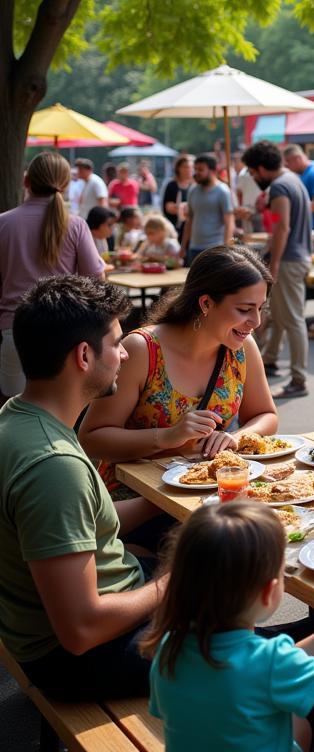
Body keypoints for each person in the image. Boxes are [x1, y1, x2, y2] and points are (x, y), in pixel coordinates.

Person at [143, 501, 314, 752]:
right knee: (297, 718)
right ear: (268, 592)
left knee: (295, 719)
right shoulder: (269, 663)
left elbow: (255, 679)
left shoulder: (169, 647)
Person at [0, 275, 167, 699]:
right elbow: (80, 630)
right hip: (79, 658)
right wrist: (173, 584)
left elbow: (85, 523)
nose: (126, 356)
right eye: (116, 343)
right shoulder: (54, 465)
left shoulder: (19, 417)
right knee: (264, 659)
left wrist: (160, 499)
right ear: (84, 356)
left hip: (66, 622)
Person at [80, 246, 280, 493]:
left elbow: (266, 416)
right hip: (139, 496)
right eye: (244, 309)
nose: (256, 321)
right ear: (206, 303)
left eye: (260, 308)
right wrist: (168, 436)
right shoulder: (142, 350)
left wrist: (235, 437)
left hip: (207, 488)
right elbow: (92, 439)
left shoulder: (241, 347)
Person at [0, 152, 105, 397]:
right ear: (66, 186)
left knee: (11, 410)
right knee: (58, 411)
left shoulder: (3, 224)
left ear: (26, 181)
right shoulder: (76, 225)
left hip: (13, 330)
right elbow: (96, 281)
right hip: (64, 333)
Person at [243, 141, 313, 400]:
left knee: (293, 319)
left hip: (288, 260)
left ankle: (298, 379)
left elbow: (282, 228)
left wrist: (273, 265)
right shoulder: (293, 179)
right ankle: (270, 359)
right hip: (297, 257)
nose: (252, 177)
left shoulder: (280, 186)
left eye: (252, 172)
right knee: (281, 314)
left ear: (261, 168)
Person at [180, 154, 234, 266]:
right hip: (194, 248)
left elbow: (229, 222)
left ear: (213, 171)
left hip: (215, 248)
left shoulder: (222, 191)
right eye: (195, 169)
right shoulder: (193, 190)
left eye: (201, 169)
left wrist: (226, 248)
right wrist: (183, 246)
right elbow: (189, 220)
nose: (196, 173)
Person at [283, 143, 314, 233]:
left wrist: (294, 214)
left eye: (288, 162)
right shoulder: (305, 173)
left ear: (298, 159)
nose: (287, 167)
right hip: (310, 228)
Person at [161, 155, 194, 236]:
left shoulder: (195, 186)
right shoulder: (172, 185)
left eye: (190, 167)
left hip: (192, 228)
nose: (188, 170)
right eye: (185, 167)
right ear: (178, 168)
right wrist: (183, 208)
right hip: (176, 228)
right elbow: (168, 207)